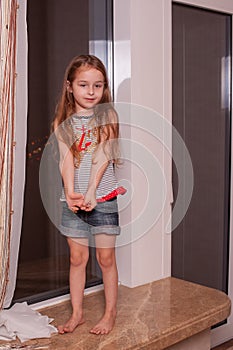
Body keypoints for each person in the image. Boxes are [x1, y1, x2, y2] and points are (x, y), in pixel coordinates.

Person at [52, 55, 125, 335]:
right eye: (84, 85)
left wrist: (92, 191)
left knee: (106, 259)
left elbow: (103, 155)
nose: (91, 91)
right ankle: (78, 314)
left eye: (98, 85)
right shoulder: (64, 121)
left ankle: (110, 313)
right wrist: (71, 193)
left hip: (103, 199)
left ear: (104, 87)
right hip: (73, 202)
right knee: (77, 259)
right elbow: (66, 160)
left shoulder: (107, 115)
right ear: (70, 86)